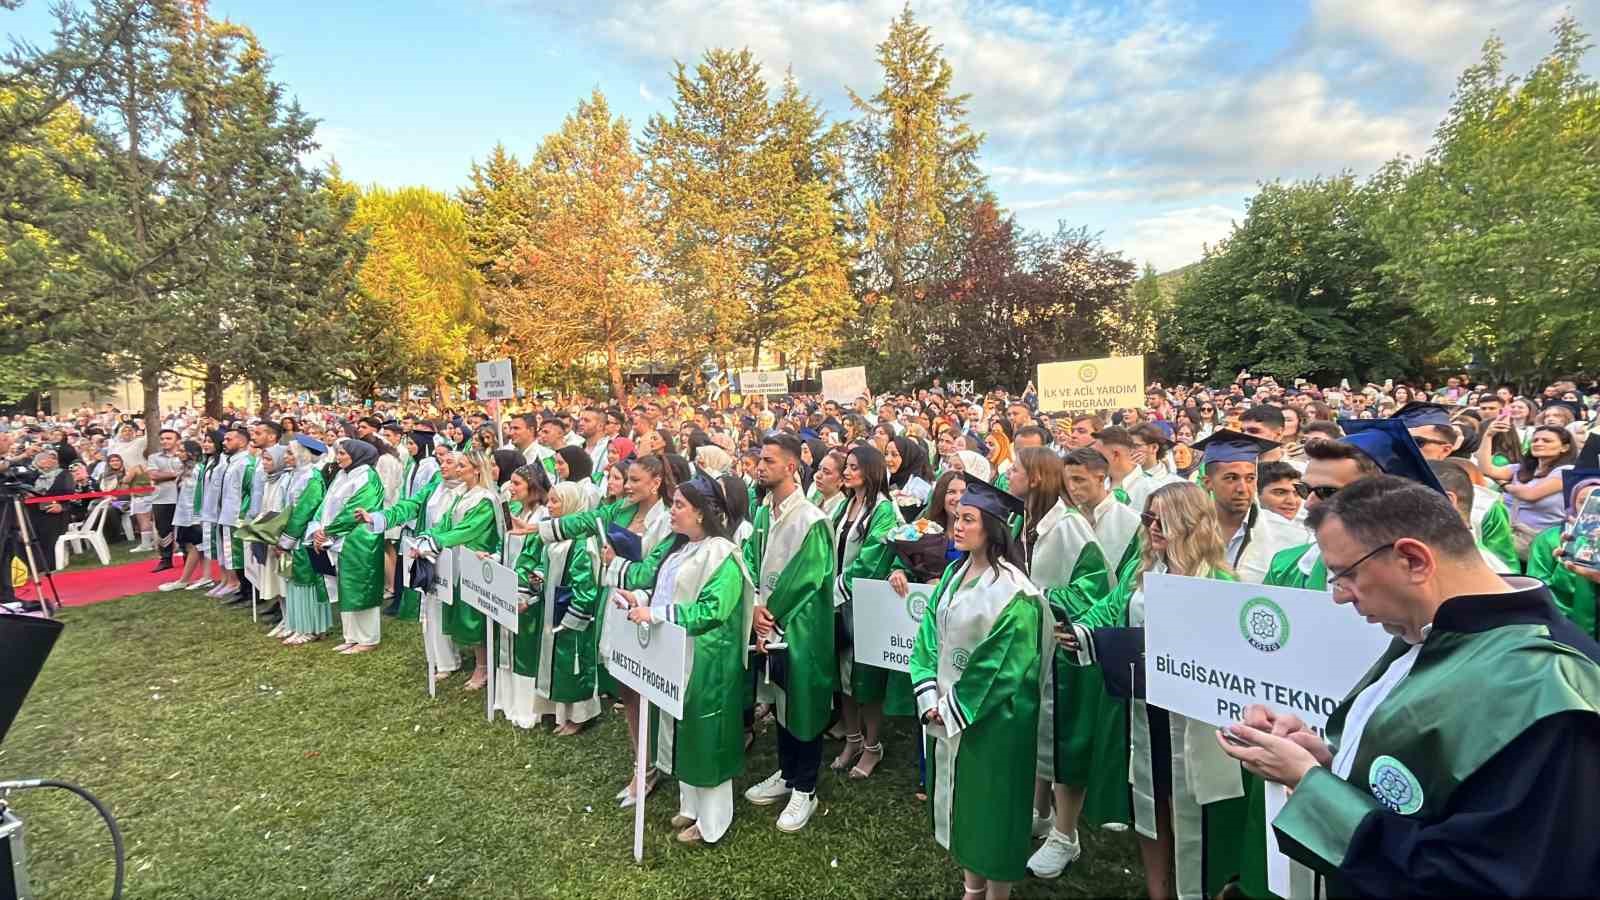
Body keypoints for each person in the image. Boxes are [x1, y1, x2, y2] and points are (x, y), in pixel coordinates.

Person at [1219, 476, 1600, 897]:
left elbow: (1488, 878)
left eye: (1345, 576)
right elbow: (1428, 786)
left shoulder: (1547, 687)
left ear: (1414, 560)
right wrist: (1328, 761)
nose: (1339, 597)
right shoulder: (1430, 634)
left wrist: (1312, 785)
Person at [1059, 483, 1247, 900]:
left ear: (1189, 522)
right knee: (1152, 803)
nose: (1152, 527)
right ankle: (1159, 891)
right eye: (1148, 517)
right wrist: (1077, 633)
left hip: (1196, 721)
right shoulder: (1143, 571)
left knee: (1196, 811)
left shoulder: (1219, 582)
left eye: (1163, 518)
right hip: (1147, 710)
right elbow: (1107, 611)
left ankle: (1196, 891)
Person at [910, 476, 1049, 900]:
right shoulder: (954, 573)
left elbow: (1004, 667)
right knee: (966, 804)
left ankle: (997, 892)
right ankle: (973, 886)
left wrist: (954, 708)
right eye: (957, 516)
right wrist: (931, 695)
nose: (957, 524)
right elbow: (927, 638)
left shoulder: (1015, 593)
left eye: (968, 518)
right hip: (950, 709)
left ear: (992, 528)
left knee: (995, 808)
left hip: (998, 722)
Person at [611, 476, 755, 845]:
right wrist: (639, 599)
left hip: (709, 658)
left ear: (703, 513)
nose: (671, 511)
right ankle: (690, 804)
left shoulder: (722, 553)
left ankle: (713, 820)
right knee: (680, 728)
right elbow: (667, 591)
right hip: (676, 651)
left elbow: (713, 609)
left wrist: (658, 615)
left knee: (706, 734)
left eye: (679, 505)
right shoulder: (682, 548)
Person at [1007, 447, 1112, 879]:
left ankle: (1066, 835)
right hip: (1031, 647)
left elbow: (1096, 586)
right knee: (1038, 732)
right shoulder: (1021, 522)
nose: (1007, 474)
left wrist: (1039, 599)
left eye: (1014, 468)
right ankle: (1041, 812)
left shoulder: (1070, 529)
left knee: (1064, 740)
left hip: (1065, 650)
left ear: (1034, 478)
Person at [549, 454, 676, 799]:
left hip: (649, 611)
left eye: (635, 480)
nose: (628, 486)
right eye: (627, 479)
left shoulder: (668, 519)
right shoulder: (619, 510)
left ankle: (664, 760)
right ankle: (642, 764)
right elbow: (589, 519)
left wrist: (615, 563)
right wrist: (540, 528)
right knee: (628, 690)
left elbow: (653, 570)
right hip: (617, 609)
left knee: (653, 689)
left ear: (656, 483)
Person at [741, 433, 839, 834]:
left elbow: (806, 579)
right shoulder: (764, 513)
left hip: (801, 626)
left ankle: (806, 787)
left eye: (768, 461)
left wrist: (771, 613)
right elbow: (747, 560)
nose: (760, 467)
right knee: (780, 698)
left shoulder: (810, 520)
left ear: (791, 467)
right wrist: (753, 607)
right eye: (758, 460)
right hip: (768, 620)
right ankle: (785, 773)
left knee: (804, 701)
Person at [830, 443, 905, 779]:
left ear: (872, 471)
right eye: (846, 466)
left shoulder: (883, 510)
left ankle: (873, 746)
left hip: (863, 602)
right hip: (838, 601)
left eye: (855, 467)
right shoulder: (844, 506)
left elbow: (873, 559)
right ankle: (852, 738)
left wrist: (835, 589)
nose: (847, 472)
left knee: (866, 677)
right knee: (841, 673)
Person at [412, 451, 503, 688]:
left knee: (475, 615)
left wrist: (436, 542)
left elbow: (468, 529)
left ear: (476, 469)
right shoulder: (460, 494)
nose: (458, 469)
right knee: (463, 612)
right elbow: (444, 522)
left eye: (463, 465)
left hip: (474, 559)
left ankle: (483, 668)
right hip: (455, 559)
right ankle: (478, 662)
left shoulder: (485, 499)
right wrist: (427, 539)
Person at [516, 480, 601, 731]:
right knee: (553, 660)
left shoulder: (582, 542)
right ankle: (555, 709)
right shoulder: (555, 538)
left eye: (556, 501)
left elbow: (586, 586)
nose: (550, 506)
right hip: (551, 608)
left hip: (570, 612)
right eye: (549, 500)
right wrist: (540, 576)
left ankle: (579, 716)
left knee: (573, 663)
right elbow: (547, 565)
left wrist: (572, 619)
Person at [1194, 430, 1306, 583]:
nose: (1242, 488)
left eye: (1250, 478)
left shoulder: (1290, 535)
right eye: (1231, 478)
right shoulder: (1187, 528)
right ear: (1208, 483)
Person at [310, 440, 386, 655]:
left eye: (342, 453)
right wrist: (318, 528)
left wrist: (329, 531)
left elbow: (355, 510)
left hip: (358, 539)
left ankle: (368, 638)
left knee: (361, 586)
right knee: (346, 586)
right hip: (336, 538)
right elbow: (326, 505)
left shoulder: (368, 477)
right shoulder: (343, 475)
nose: (338, 457)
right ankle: (351, 636)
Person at [1476, 422, 1576, 562]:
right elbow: (1486, 469)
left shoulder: (1567, 471)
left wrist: (1504, 484)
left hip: (1540, 542)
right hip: (1507, 536)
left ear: (1565, 447)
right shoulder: (1521, 469)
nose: (1538, 443)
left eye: (1546, 440)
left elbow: (1530, 494)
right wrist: (1488, 435)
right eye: (1535, 440)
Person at [1525, 469, 1600, 637]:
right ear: (1573, 504)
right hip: (1563, 631)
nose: (1590, 510)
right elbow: (1539, 588)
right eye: (1583, 502)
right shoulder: (1550, 539)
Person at [275, 436, 333, 645]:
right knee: (294, 581)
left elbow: (304, 512)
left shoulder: (312, 478)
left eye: (291, 453)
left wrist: (286, 540)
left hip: (305, 539)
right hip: (292, 537)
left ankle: (311, 626)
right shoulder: (294, 476)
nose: (286, 457)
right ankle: (297, 623)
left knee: (307, 583)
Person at [159, 439, 210, 591]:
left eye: (182, 450)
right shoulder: (185, 469)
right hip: (184, 513)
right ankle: (205, 576)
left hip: (195, 514)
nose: (178, 453)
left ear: (191, 453)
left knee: (195, 546)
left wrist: (198, 515)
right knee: (195, 546)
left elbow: (201, 493)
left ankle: (185, 579)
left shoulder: (198, 470)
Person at [146, 428, 184, 574]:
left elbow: (190, 471)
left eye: (168, 438)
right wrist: (176, 474)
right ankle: (166, 559)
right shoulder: (154, 457)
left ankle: (188, 557)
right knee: (163, 531)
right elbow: (153, 475)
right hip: (161, 499)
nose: (165, 441)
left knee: (184, 529)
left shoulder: (183, 455)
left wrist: (164, 475)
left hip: (182, 498)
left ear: (177, 440)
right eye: (162, 439)